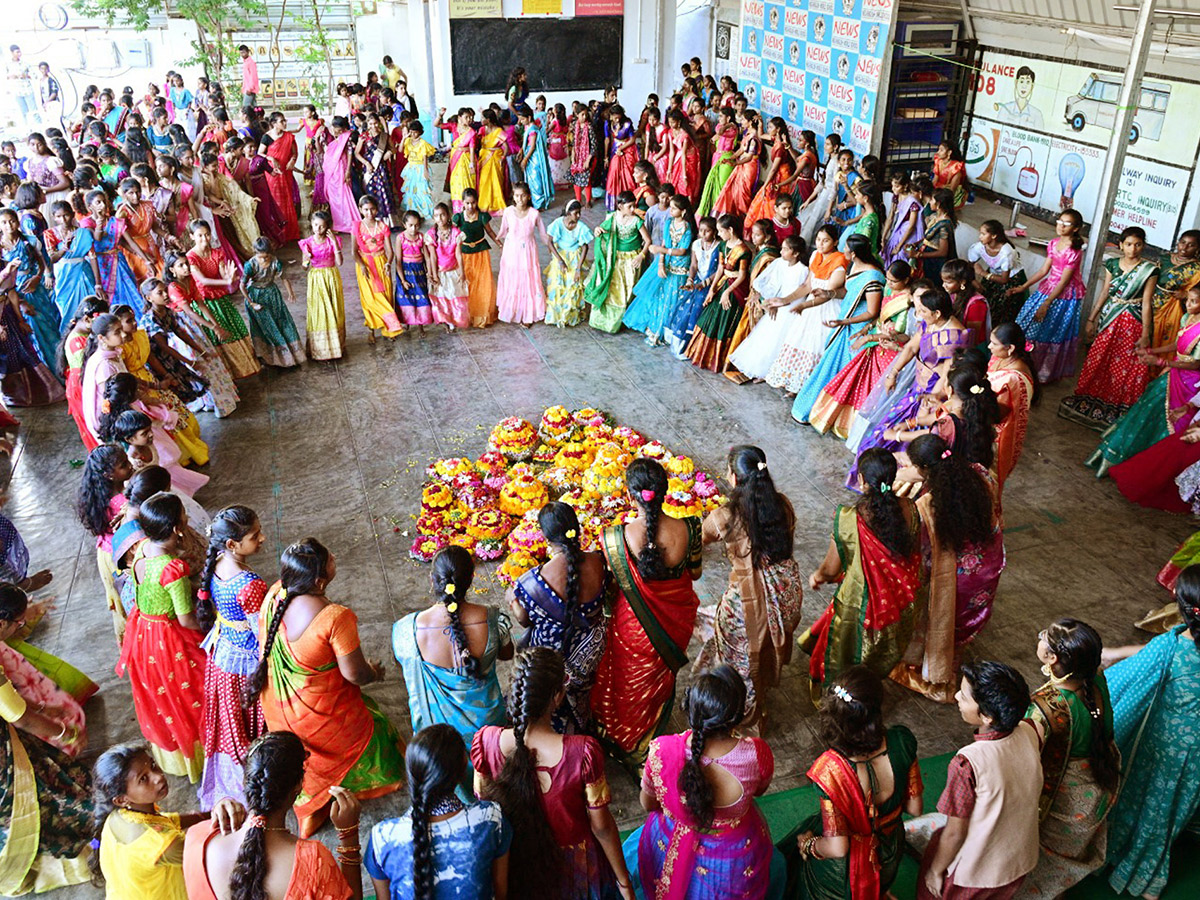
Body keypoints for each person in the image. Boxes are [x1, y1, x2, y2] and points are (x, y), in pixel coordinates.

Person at [251, 537, 406, 837]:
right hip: (321, 718)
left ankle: (310, 807)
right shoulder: (335, 618)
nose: (335, 554)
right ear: (320, 582)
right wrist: (373, 672)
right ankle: (351, 790)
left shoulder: (274, 594)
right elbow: (355, 675)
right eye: (330, 558)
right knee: (369, 727)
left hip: (279, 710)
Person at [473, 647, 633, 900]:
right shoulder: (582, 753)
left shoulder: (485, 743)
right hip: (575, 868)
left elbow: (484, 807)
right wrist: (623, 882)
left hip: (514, 863)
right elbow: (601, 827)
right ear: (557, 696)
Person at [590, 458, 703, 767]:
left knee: (629, 679)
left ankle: (628, 738)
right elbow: (694, 573)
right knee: (659, 676)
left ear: (630, 497)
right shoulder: (690, 528)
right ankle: (650, 729)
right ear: (665, 492)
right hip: (676, 621)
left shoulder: (613, 538)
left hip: (633, 626)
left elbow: (610, 586)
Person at [777, 667, 923, 900]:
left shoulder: (830, 771)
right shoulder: (902, 741)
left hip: (844, 876)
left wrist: (809, 845)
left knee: (792, 862)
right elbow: (915, 808)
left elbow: (837, 848)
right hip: (889, 853)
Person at [631, 664, 774, 899]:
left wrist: (680, 807)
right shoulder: (757, 754)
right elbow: (759, 791)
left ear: (691, 711)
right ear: (738, 714)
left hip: (667, 843)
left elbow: (648, 804)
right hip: (732, 859)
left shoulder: (661, 750)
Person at [1103, 565, 1200, 899]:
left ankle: (1142, 874)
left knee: (1149, 804)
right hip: (1197, 753)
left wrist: (1096, 671)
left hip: (1165, 746)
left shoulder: (1172, 646)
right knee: (1173, 811)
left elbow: (1127, 676)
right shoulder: (1175, 645)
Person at [911, 661, 1041, 900]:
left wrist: (936, 872)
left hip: (978, 870)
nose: (958, 696)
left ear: (987, 716)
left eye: (965, 696)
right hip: (1020, 858)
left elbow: (954, 834)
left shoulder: (967, 763)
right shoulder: (1031, 730)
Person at [693, 446, 801, 733]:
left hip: (748, 603)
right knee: (763, 645)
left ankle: (745, 714)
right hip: (786, 591)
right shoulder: (783, 505)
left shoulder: (725, 518)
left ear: (733, 477)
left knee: (742, 658)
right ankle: (760, 691)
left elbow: (699, 541)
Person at [801, 448, 923, 699]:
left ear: (863, 481)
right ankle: (869, 686)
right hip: (901, 605)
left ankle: (845, 694)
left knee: (843, 650)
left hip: (860, 607)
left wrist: (818, 576)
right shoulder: (911, 509)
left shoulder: (849, 519)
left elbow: (830, 569)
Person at [891, 435, 1004, 704]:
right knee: (961, 624)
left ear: (923, 470)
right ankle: (951, 661)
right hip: (987, 565)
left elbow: (921, 552)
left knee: (939, 620)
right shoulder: (981, 474)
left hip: (958, 577)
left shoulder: (930, 505)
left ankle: (936, 677)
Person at [184, 731, 362, 900]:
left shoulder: (196, 839)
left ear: (246, 781)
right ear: (299, 786)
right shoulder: (313, 861)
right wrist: (349, 835)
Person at [1016, 619, 1120, 900]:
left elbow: (1026, 756)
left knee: (1037, 849)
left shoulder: (1046, 705)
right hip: (1098, 784)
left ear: (1052, 657)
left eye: (1043, 637)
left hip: (1063, 797)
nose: (1039, 638)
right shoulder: (1096, 679)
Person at [0, 583, 92, 896]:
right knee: (37, 799)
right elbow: (19, 715)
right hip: (6, 749)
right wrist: (64, 731)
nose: (20, 630)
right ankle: (61, 858)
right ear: (2, 623)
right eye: (18, 624)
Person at [395, 546, 512, 783]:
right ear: (470, 580)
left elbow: (405, 666)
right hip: (488, 735)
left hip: (438, 747)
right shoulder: (491, 620)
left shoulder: (405, 631)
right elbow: (507, 654)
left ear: (432, 580)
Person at [117, 491, 208, 780]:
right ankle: (206, 754)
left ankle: (176, 759)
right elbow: (186, 618)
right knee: (196, 688)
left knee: (166, 697)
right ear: (178, 528)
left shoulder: (141, 549)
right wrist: (213, 630)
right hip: (170, 637)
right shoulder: (173, 569)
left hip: (144, 631)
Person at [847, 285, 972, 487]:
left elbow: (948, 374)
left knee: (913, 444)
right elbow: (912, 347)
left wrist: (933, 399)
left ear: (937, 313)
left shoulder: (955, 337)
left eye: (922, 311)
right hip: (916, 389)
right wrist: (893, 373)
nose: (918, 315)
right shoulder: (928, 323)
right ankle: (871, 479)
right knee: (881, 433)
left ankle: (893, 486)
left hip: (932, 397)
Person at [367, 723, 510, 900]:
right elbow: (501, 893)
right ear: (463, 769)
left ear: (411, 773)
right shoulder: (491, 819)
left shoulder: (383, 837)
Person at [507, 502, 609, 734]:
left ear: (545, 537)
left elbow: (524, 620)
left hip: (551, 657)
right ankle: (581, 726)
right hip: (589, 654)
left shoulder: (533, 581)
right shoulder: (599, 561)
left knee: (543, 687)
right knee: (581, 696)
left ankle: (548, 728)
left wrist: (512, 600)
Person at [193, 506, 267, 809]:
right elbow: (261, 632)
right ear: (232, 545)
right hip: (246, 661)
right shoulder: (250, 585)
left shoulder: (217, 565)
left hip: (223, 654)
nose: (262, 539)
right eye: (254, 535)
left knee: (230, 719)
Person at [1060, 226, 1159, 430]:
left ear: (1144, 245)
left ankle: (1119, 406)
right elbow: (1105, 291)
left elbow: (1147, 303)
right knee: (1100, 357)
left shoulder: (1149, 270)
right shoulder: (1113, 264)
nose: (1133, 249)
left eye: (1138, 244)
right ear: (1121, 245)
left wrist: (1146, 334)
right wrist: (1092, 319)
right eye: (1129, 244)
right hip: (1110, 317)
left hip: (1133, 321)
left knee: (1126, 364)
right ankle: (1091, 397)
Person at [809, 261, 913, 439]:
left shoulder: (908, 300)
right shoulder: (888, 290)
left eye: (894, 281)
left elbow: (902, 332)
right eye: (887, 279)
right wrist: (867, 329)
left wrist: (870, 337)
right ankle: (848, 425)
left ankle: (867, 434)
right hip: (877, 343)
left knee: (878, 393)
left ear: (907, 280)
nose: (889, 284)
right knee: (860, 384)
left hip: (892, 350)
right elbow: (880, 317)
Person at [792, 235, 886, 423]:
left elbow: (872, 312)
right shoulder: (856, 267)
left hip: (857, 329)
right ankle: (813, 409)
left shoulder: (873, 277)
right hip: (845, 323)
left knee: (841, 372)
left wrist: (844, 322)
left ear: (853, 253)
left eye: (845, 249)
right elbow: (848, 292)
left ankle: (829, 415)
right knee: (828, 367)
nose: (842, 251)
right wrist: (829, 293)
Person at [764, 225, 848, 394]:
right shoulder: (815, 256)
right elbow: (807, 285)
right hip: (811, 306)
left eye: (826, 241)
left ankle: (811, 390)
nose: (820, 244)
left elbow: (825, 295)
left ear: (835, 242)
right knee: (800, 341)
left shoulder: (839, 262)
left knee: (817, 347)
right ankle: (797, 386)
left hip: (827, 308)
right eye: (818, 240)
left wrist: (803, 305)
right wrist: (785, 300)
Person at [725, 234, 812, 382]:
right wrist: (767, 300)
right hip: (775, 304)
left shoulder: (803, 270)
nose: (781, 252)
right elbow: (766, 281)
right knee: (767, 339)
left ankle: (769, 372)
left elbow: (798, 293)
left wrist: (781, 303)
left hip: (790, 308)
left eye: (785, 249)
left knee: (780, 340)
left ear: (796, 253)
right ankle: (760, 370)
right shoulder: (778, 263)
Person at [1013, 209, 1086, 382]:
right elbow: (1044, 270)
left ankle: (1041, 372)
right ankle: (1022, 365)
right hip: (1048, 289)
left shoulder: (1074, 252)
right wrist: (1024, 286)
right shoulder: (1053, 243)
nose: (1060, 226)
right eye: (1059, 221)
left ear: (1076, 228)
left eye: (1066, 223)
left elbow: (1063, 282)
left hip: (1064, 296)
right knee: (1025, 321)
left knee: (1050, 331)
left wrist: (1046, 303)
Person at [186, 220, 261, 379]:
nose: (205, 239)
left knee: (234, 327)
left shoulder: (217, 252)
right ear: (192, 236)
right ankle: (227, 372)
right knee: (218, 332)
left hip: (220, 297)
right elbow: (203, 281)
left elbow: (222, 271)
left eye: (207, 234)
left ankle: (244, 366)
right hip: (204, 301)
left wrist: (228, 277)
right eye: (200, 235)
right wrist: (226, 282)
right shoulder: (190, 258)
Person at [624, 195, 694, 345]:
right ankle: (655, 326)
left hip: (679, 266)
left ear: (682, 212)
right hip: (666, 263)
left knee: (673, 297)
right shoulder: (669, 222)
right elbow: (664, 241)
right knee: (660, 294)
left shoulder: (687, 228)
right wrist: (661, 262)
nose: (670, 210)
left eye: (674, 208)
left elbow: (682, 250)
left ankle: (666, 329)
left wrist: (661, 250)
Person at [683, 213, 749, 370]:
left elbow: (742, 275)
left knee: (724, 320)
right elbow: (720, 269)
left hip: (735, 288)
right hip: (721, 283)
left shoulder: (744, 250)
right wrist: (712, 290)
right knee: (708, 317)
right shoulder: (723, 246)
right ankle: (701, 355)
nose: (718, 234)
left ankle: (718, 361)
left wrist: (727, 292)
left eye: (720, 231)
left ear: (730, 230)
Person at [585, 190, 649, 334]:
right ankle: (603, 320)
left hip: (631, 259)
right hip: (615, 257)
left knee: (626, 290)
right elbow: (602, 229)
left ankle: (621, 321)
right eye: (630, 206)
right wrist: (597, 230)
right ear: (620, 206)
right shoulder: (612, 217)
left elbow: (648, 240)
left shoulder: (637, 221)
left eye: (634, 206)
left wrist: (641, 256)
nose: (633, 209)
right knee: (612, 288)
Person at [987, 322, 1039, 488]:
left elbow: (996, 414)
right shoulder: (999, 357)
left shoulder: (1013, 379)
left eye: (994, 344)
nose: (989, 347)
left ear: (1010, 349)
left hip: (998, 437)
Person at [240, 237, 306, 367]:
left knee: (282, 320)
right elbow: (242, 285)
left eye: (266, 257)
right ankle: (270, 357)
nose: (264, 260)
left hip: (272, 294)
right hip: (256, 296)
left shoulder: (275, 262)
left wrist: (290, 292)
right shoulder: (250, 265)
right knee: (266, 326)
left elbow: (284, 278)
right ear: (255, 252)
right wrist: (251, 302)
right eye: (261, 257)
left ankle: (289, 355)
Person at [494, 183, 549, 326]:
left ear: (528, 196)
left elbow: (543, 234)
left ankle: (527, 314)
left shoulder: (534, 214)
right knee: (513, 277)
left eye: (523, 195)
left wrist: (552, 247)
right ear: (513, 196)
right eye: (517, 195)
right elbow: (503, 230)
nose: (520, 199)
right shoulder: (508, 212)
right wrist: (499, 242)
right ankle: (511, 309)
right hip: (512, 250)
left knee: (528, 279)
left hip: (528, 252)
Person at [665, 215, 719, 357]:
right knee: (683, 303)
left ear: (714, 232)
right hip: (697, 281)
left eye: (707, 231)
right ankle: (681, 343)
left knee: (698, 304)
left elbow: (720, 270)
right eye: (701, 231)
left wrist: (705, 283)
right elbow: (694, 265)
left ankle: (691, 345)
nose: (703, 234)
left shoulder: (719, 247)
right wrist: (690, 280)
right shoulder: (696, 244)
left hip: (712, 282)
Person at [353, 195, 403, 343]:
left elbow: (389, 250)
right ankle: (371, 330)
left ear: (377, 209)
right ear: (361, 210)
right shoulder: (356, 227)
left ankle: (388, 329)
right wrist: (362, 265)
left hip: (381, 264)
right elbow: (354, 252)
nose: (370, 213)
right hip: (365, 266)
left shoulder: (382, 226)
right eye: (366, 210)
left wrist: (388, 263)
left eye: (372, 209)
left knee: (385, 296)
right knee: (369, 299)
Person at [299, 210, 346, 361]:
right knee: (319, 310)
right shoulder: (307, 243)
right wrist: (306, 259)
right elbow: (304, 266)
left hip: (331, 277)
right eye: (315, 225)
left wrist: (334, 244)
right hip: (316, 279)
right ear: (311, 225)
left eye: (322, 226)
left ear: (327, 227)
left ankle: (337, 345)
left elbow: (339, 262)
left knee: (334, 309)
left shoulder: (334, 240)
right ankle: (320, 349)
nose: (318, 229)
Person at [543, 200, 593, 328]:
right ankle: (557, 315)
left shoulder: (581, 227)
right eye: (576, 213)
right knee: (558, 284)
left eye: (579, 213)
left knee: (573, 285)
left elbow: (585, 248)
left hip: (575, 257)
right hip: (560, 255)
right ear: (568, 213)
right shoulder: (558, 224)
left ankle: (571, 315)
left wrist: (578, 269)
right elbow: (549, 242)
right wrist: (560, 260)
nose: (578, 216)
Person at [1149, 229, 1200, 347]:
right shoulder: (1165, 258)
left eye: (1191, 245)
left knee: (1164, 336)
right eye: (1183, 242)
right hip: (1152, 300)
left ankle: (1158, 364)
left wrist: (1186, 295)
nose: (1184, 247)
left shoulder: (1196, 269)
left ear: (1197, 249)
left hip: (1173, 306)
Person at [969, 220, 1027, 326]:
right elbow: (970, 264)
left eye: (983, 234)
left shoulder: (1006, 252)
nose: (980, 237)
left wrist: (983, 273)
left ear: (994, 236)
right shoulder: (979, 247)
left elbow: (1004, 280)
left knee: (1000, 309)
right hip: (992, 274)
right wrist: (973, 280)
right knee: (985, 301)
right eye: (980, 233)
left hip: (1010, 279)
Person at [425, 203, 470, 332]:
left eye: (443, 215)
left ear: (448, 215)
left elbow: (458, 254)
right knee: (443, 298)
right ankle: (448, 321)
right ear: (433, 218)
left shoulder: (456, 233)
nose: (440, 218)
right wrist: (434, 275)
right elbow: (432, 257)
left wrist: (462, 272)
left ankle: (456, 319)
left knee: (455, 296)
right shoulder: (431, 234)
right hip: (440, 273)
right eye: (437, 216)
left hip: (453, 271)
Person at [909, 188, 957, 283]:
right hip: (927, 258)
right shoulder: (935, 216)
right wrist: (915, 244)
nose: (930, 202)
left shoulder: (944, 224)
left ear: (938, 204)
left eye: (932, 200)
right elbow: (928, 237)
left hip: (934, 263)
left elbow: (943, 252)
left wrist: (919, 255)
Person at [323, 117, 362, 234]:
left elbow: (350, 153)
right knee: (333, 196)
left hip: (341, 168)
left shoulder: (347, 137)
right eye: (335, 129)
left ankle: (347, 223)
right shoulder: (330, 133)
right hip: (332, 169)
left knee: (343, 194)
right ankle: (338, 222)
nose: (336, 131)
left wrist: (348, 171)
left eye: (339, 130)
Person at [882, 171, 924, 268]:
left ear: (905, 186)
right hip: (897, 232)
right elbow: (891, 216)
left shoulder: (912, 202)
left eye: (896, 187)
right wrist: (883, 237)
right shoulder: (896, 196)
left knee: (901, 257)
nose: (893, 189)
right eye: (892, 186)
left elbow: (911, 226)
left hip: (907, 236)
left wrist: (898, 247)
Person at [932, 140, 967, 210]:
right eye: (938, 149)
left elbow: (952, 190)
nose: (938, 152)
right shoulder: (939, 162)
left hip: (950, 193)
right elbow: (935, 181)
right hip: (939, 190)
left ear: (949, 152)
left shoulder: (956, 167)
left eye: (941, 150)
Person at [238, 45, 258, 109]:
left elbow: (253, 76)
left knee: (246, 107)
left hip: (250, 89)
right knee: (253, 108)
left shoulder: (251, 63)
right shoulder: (245, 62)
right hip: (247, 88)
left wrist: (250, 88)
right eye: (240, 53)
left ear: (248, 52)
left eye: (243, 52)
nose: (242, 55)